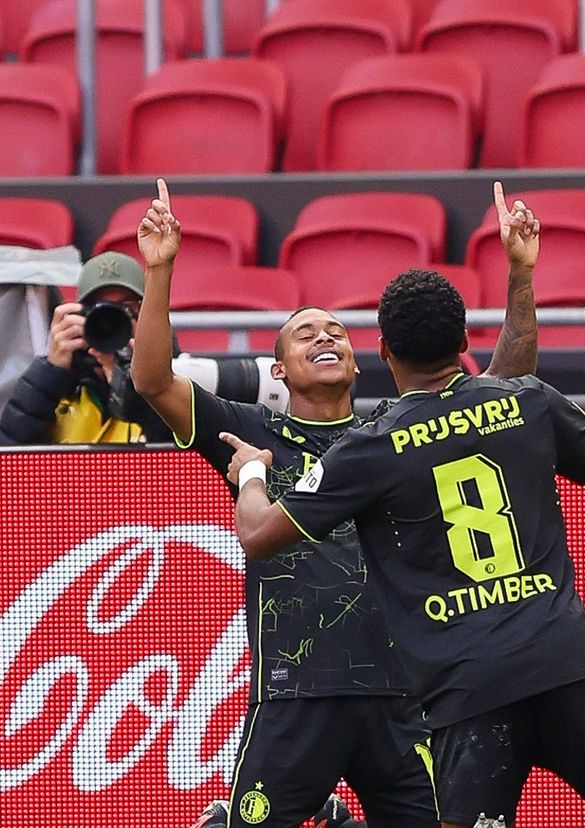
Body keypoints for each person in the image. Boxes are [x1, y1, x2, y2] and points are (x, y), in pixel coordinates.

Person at [132, 179, 541, 828]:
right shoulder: (248, 432)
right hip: (296, 700)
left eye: (338, 333)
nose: (325, 337)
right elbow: (152, 379)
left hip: (404, 696)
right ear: (280, 372)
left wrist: (520, 274)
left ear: (360, 362)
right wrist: (160, 271)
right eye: (304, 334)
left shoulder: (401, 431)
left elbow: (505, 383)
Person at [217, 271, 585, 828]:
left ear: (381, 350)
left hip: (467, 684)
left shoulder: (371, 445)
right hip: (566, 661)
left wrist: (249, 475)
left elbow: (260, 535)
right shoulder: (528, 402)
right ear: (464, 341)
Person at [0, 250, 172, 444]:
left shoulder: (176, 383)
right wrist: (49, 374)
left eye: (126, 310)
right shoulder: (58, 388)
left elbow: (189, 459)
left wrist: (142, 389)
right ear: (81, 317)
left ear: (149, 317)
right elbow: (9, 458)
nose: (112, 322)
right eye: (100, 311)